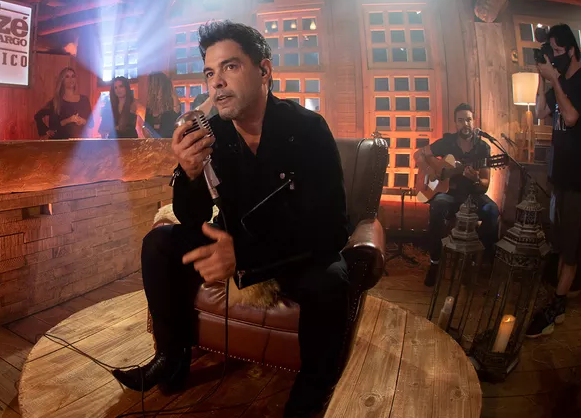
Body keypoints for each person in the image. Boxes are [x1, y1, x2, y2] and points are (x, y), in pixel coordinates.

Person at [111, 21, 350, 417]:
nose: (216, 82)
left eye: (230, 67)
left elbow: (332, 227)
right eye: (210, 73)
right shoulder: (214, 134)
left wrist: (245, 255)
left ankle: (313, 388)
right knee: (159, 244)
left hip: (289, 250)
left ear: (264, 71)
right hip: (233, 235)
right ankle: (171, 356)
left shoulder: (308, 129)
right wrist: (189, 173)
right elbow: (191, 218)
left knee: (331, 279)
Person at [527, 24, 581, 338]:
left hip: (577, 177)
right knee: (559, 240)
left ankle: (558, 305)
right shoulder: (560, 81)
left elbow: (570, 118)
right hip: (559, 176)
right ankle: (558, 295)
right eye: (552, 51)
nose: (555, 56)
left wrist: (555, 80)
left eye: (558, 51)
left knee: (571, 246)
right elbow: (540, 112)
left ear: (571, 50)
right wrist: (542, 77)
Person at [414, 103, 499, 286]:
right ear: (455, 123)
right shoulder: (447, 142)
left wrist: (476, 179)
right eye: (461, 120)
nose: (465, 124)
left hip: (472, 196)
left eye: (468, 119)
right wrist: (432, 170)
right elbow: (418, 154)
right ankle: (435, 263)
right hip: (449, 194)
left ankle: (477, 262)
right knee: (437, 206)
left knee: (492, 210)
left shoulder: (482, 148)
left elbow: (485, 184)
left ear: (474, 121)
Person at [33, 67, 92, 139]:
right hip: (60, 141)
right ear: (62, 80)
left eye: (73, 76)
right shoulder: (56, 101)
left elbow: (91, 124)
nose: (71, 79)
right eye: (67, 77)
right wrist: (68, 120)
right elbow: (42, 118)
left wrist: (82, 121)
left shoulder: (84, 100)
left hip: (79, 142)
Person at [143, 72, 179, 139]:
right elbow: (147, 131)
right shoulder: (150, 108)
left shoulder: (172, 104)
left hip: (170, 143)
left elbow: (172, 131)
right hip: (154, 143)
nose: (148, 88)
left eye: (151, 85)